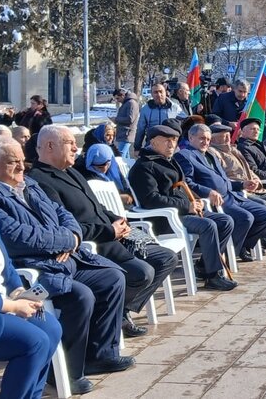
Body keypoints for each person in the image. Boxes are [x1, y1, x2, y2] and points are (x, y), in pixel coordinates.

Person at [0, 136, 133, 395]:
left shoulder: (30, 184)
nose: (20, 168)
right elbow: (17, 237)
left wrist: (73, 238)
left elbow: (64, 214)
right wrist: (64, 241)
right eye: (12, 163)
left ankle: (99, 353)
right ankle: (63, 372)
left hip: (63, 258)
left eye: (21, 161)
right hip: (33, 267)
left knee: (112, 278)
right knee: (80, 295)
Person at [28, 126, 177, 338]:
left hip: (114, 238)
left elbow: (96, 207)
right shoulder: (40, 180)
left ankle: (120, 312)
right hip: (96, 246)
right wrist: (109, 230)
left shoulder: (71, 171)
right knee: (142, 273)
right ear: (50, 146)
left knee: (166, 258)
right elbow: (65, 227)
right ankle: (108, 319)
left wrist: (116, 219)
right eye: (70, 143)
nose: (76, 148)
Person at [0, 157, 62, 399]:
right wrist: (13, 306)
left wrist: (17, 290)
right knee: (34, 342)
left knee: (51, 328)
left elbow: (4, 262)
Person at [129, 125, 238, 291]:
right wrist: (187, 206)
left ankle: (204, 266)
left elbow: (182, 188)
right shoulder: (144, 167)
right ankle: (213, 276)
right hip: (165, 218)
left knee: (225, 221)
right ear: (153, 142)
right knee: (208, 225)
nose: (172, 144)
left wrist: (195, 201)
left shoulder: (168, 161)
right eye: (166, 140)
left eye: (174, 140)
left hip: (183, 211)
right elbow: (151, 200)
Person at [175, 124, 266, 262]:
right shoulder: (185, 155)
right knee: (245, 218)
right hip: (216, 201)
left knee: (265, 214)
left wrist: (242, 184)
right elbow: (187, 183)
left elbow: (223, 180)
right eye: (202, 138)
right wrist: (208, 192)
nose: (205, 142)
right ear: (190, 137)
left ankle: (239, 247)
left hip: (232, 195)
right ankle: (226, 258)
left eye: (208, 139)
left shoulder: (210, 154)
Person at [208, 123, 266, 250]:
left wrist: (256, 181)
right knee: (263, 205)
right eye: (223, 137)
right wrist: (243, 185)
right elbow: (221, 178)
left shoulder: (233, 150)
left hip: (251, 187)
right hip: (238, 191)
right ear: (214, 139)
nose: (227, 139)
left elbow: (249, 169)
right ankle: (244, 246)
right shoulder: (214, 153)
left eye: (228, 135)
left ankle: (257, 240)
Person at [134, 83, 184, 153]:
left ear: (165, 92)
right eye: (155, 92)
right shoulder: (145, 109)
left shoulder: (175, 108)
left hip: (171, 146)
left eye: (161, 91)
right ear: (151, 94)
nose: (159, 94)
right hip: (152, 145)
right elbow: (140, 129)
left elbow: (185, 123)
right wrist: (137, 147)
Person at [113, 90, 139, 158]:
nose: (117, 100)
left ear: (123, 95)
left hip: (127, 133)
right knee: (126, 158)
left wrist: (116, 119)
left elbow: (130, 119)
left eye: (118, 98)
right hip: (124, 133)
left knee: (120, 156)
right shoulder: (127, 103)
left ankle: (121, 168)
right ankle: (128, 168)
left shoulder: (131, 103)